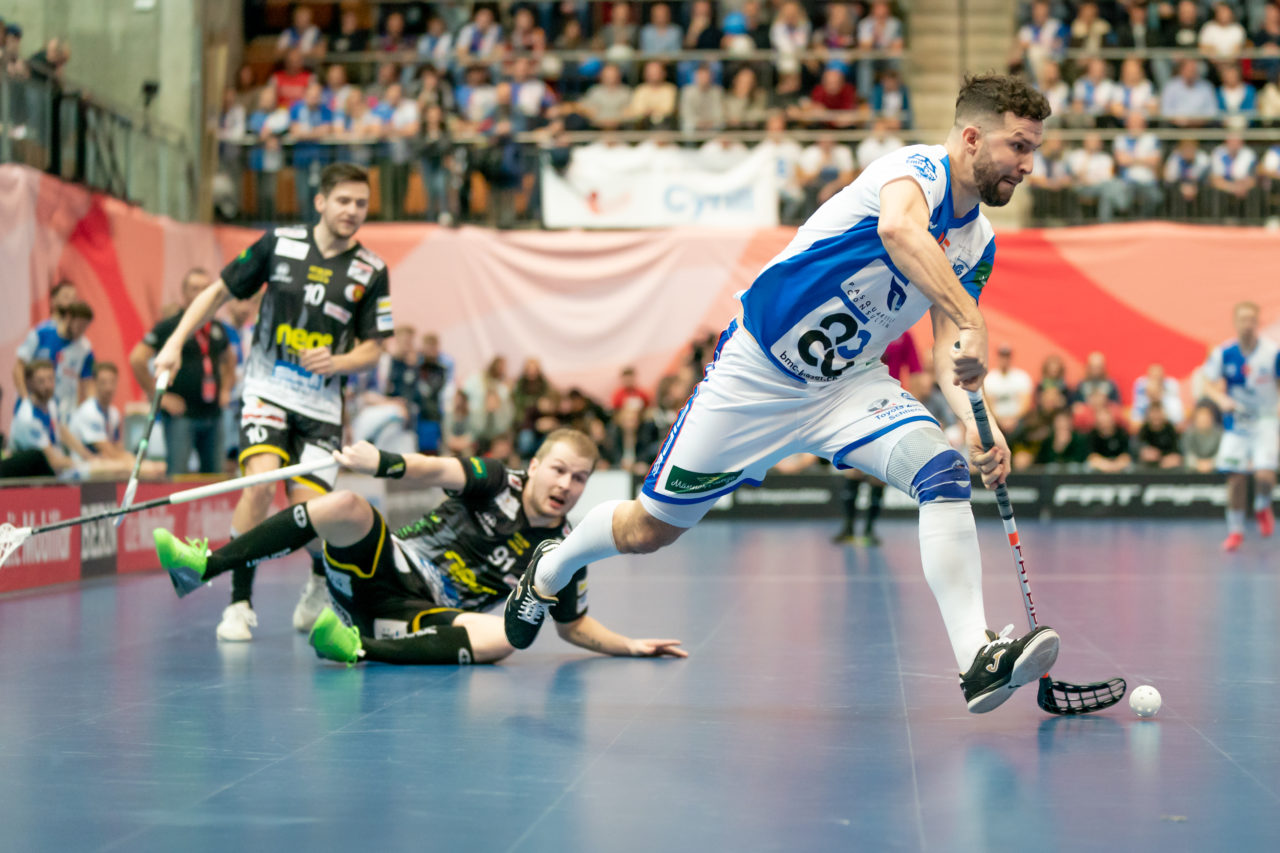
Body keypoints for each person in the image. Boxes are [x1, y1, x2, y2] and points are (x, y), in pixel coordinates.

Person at [503, 74, 1061, 715]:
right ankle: (552, 565)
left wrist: (978, 423)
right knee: (651, 528)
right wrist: (976, 321)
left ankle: (975, 658)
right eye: (1019, 147)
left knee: (941, 471)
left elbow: (946, 356)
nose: (1026, 165)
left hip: (847, 387)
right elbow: (899, 234)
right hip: (756, 377)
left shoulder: (979, 244)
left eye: (1033, 150)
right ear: (971, 137)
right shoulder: (913, 172)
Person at [152, 430, 685, 666]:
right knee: (345, 508)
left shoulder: (566, 548)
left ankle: (355, 647)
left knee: (506, 638)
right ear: (536, 465)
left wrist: (629, 645)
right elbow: (434, 468)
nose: (567, 485)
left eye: (580, 478)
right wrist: (379, 461)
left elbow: (572, 626)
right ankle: (206, 566)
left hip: (419, 618)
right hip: (393, 566)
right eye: (559, 469)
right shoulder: (497, 478)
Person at [151, 163, 392, 641]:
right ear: (320, 202)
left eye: (360, 204)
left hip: (321, 409)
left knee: (310, 516)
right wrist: (175, 341)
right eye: (343, 200)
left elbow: (375, 346)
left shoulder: (372, 270)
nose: (352, 211)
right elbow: (218, 292)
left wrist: (338, 362)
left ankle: (319, 580)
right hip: (268, 391)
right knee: (258, 488)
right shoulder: (278, 243)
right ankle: (239, 604)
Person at [130, 269, 236, 475]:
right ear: (184, 293)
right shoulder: (170, 326)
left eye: (205, 288)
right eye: (194, 288)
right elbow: (137, 358)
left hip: (213, 415)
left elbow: (229, 360)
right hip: (182, 416)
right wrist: (158, 397)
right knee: (178, 474)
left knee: (214, 477)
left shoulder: (216, 327)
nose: (200, 293)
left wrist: (225, 389)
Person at [1201, 302, 1279, 552]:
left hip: (1266, 419)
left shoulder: (1272, 352)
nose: (1247, 324)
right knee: (1235, 479)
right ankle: (1235, 531)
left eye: (1251, 319)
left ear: (1258, 322)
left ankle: (1262, 505)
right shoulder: (1224, 353)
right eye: (1242, 319)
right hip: (1237, 423)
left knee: (1264, 475)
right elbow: (1206, 382)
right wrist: (1221, 398)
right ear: (1235, 323)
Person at [833, 330, 922, 546]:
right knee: (853, 466)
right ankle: (848, 527)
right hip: (857, 402)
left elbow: (916, 372)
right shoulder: (861, 326)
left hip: (889, 404)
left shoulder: (904, 334)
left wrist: (915, 406)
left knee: (879, 470)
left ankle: (870, 530)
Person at [14, 298, 94, 426]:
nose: (81, 331)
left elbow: (88, 384)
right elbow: (18, 367)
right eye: (79, 325)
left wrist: (89, 412)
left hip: (62, 412)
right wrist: (25, 400)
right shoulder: (42, 333)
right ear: (68, 317)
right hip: (35, 404)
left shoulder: (85, 349)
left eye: (85, 327)